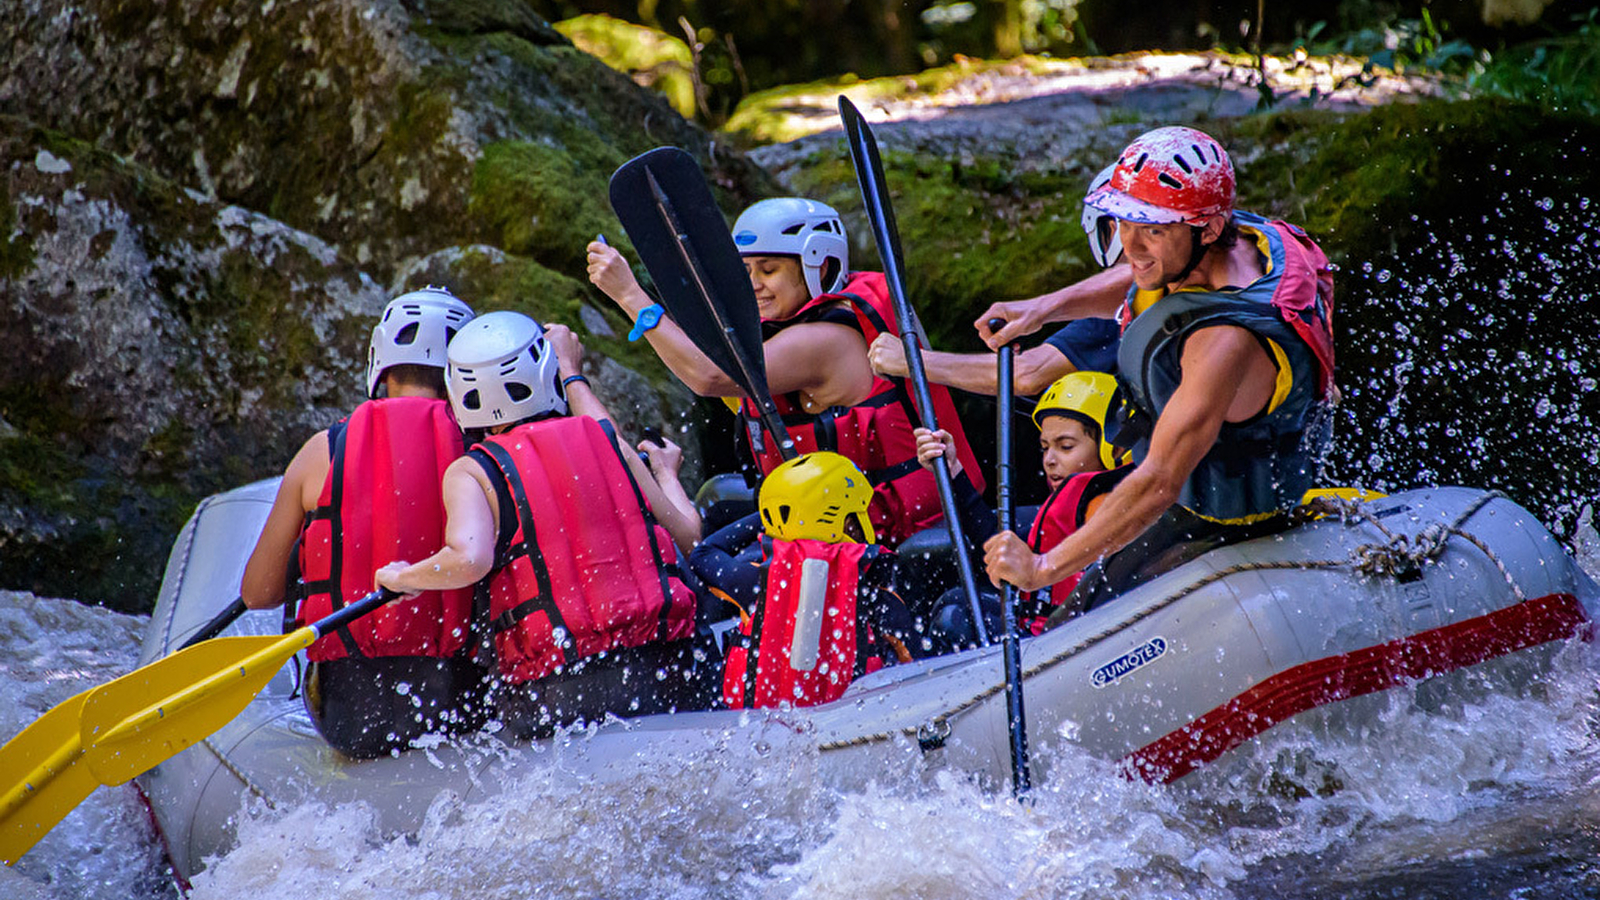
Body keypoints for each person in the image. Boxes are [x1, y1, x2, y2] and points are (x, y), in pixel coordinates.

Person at [980, 125, 1337, 611]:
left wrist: (1041, 568)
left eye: (1151, 229)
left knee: (1073, 621)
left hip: (1222, 518)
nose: (1131, 245)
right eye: (1124, 223)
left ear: (1208, 228)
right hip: (1189, 491)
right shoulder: (1231, 241)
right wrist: (1043, 309)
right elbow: (1145, 274)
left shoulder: (1223, 343)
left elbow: (1160, 479)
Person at [375, 311, 710, 739]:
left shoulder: (473, 471)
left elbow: (469, 558)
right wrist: (666, 474)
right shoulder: (606, 441)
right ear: (545, 374)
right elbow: (690, 537)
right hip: (668, 670)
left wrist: (406, 577)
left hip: (559, 693)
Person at [587, 197, 984, 546]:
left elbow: (708, 377)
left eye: (769, 270)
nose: (754, 284)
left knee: (708, 556)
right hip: (837, 520)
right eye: (746, 272)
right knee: (717, 505)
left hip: (897, 530)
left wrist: (629, 296)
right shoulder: (794, 327)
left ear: (819, 266)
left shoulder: (825, 340)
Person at [239, 286, 485, 759]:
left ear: (381, 361)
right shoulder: (486, 455)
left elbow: (258, 593)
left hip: (349, 714)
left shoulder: (321, 453)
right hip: (460, 703)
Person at [865, 166, 1128, 396]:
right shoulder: (1147, 293)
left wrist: (912, 361)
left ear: (1109, 228)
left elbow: (1027, 373)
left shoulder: (1132, 304)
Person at [915, 371, 1129, 647]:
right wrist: (952, 471)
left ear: (1113, 447)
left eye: (1065, 447)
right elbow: (998, 547)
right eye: (1044, 447)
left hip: (1075, 646)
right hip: (1044, 634)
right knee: (956, 601)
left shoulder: (1107, 507)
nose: (1049, 460)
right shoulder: (1071, 501)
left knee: (955, 616)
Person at [697, 452, 918, 708]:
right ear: (846, 524)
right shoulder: (879, 598)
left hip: (761, 732)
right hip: (849, 733)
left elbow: (704, 553)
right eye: (859, 513)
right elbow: (920, 675)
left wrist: (776, 516)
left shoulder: (755, 583)